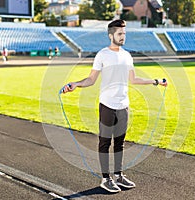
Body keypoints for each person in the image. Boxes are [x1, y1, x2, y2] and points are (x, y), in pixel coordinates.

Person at [62, 19, 167, 193]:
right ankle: (106, 178)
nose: (123, 36)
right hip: (107, 105)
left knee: (120, 143)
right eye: (120, 34)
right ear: (111, 35)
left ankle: (118, 175)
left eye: (124, 33)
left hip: (123, 105)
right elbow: (91, 79)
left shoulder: (127, 55)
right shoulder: (102, 55)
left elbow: (134, 79)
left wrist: (155, 81)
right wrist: (76, 84)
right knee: (105, 143)